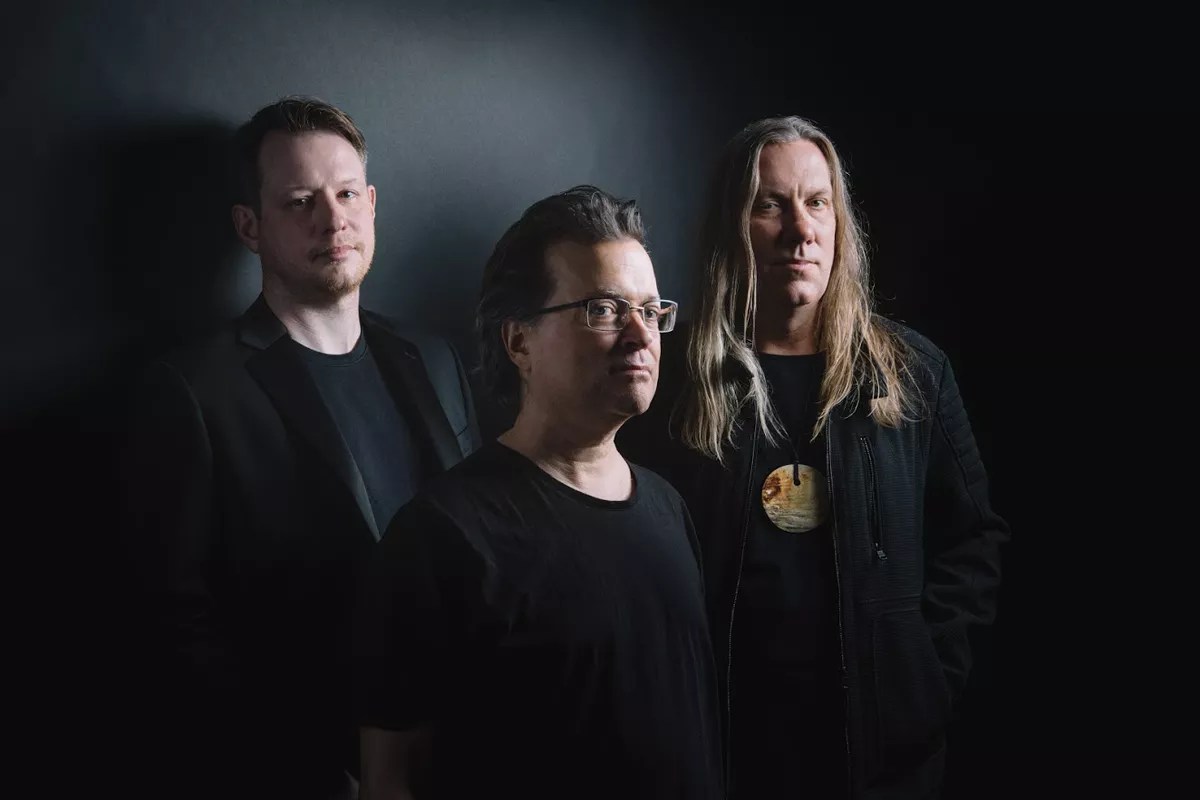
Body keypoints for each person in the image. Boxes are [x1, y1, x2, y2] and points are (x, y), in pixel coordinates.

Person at [620, 115, 1010, 799]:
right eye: (770, 205)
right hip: (725, 752)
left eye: (817, 202)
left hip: (880, 758)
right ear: (732, 226)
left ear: (838, 225)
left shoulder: (913, 373)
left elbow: (973, 539)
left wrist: (924, 679)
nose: (799, 230)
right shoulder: (673, 382)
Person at [119, 96, 480, 799]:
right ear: (249, 227)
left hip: (460, 751)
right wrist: (311, 766)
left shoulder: (434, 359)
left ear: (370, 204)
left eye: (346, 194)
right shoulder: (193, 391)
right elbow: (177, 623)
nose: (332, 219)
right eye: (298, 201)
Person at [355, 186, 723, 800]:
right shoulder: (444, 535)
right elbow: (390, 776)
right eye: (604, 309)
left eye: (650, 309)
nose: (641, 334)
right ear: (519, 342)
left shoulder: (668, 507)